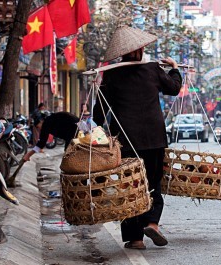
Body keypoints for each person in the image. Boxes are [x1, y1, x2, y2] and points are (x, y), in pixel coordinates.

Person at [93, 25, 182, 250]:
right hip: (154, 138)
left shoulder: (112, 74)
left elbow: (98, 114)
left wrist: (100, 91)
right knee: (153, 183)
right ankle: (153, 222)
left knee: (129, 186)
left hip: (126, 141)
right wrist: (174, 68)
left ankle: (136, 239)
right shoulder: (153, 69)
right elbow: (173, 88)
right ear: (141, 49)